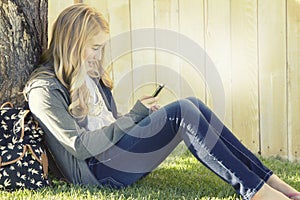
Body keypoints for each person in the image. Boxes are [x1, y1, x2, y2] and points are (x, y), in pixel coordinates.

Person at [23, 3, 300, 200]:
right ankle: (256, 191)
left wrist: (137, 116)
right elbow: (82, 147)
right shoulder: (43, 89)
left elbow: (108, 127)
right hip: (97, 174)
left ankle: (266, 179)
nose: (98, 56)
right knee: (183, 113)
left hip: (112, 157)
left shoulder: (88, 73)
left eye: (101, 48)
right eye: (94, 48)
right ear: (72, 44)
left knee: (192, 104)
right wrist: (133, 118)